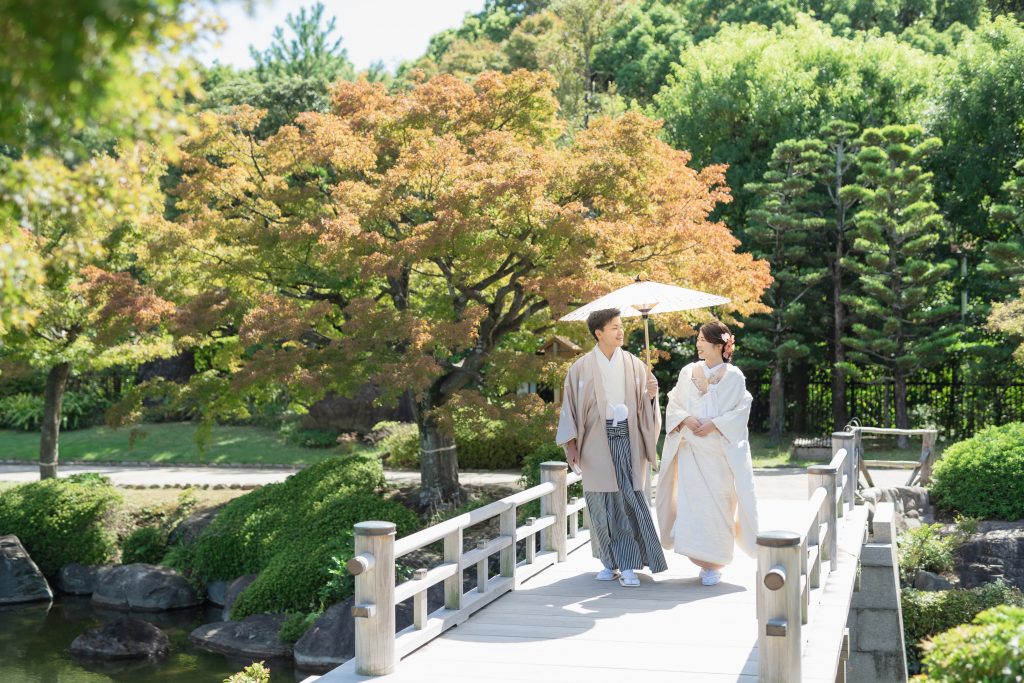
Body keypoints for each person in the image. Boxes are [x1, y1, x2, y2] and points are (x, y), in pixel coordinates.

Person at [555, 308, 668, 587]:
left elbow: (647, 410)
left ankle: (629, 564)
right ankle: (609, 561)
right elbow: (569, 410)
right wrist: (571, 445)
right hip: (594, 439)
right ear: (599, 333)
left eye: (621, 326)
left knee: (627, 498)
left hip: (628, 437)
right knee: (599, 501)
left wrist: (651, 397)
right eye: (615, 327)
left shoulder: (635, 364)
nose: (621, 332)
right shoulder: (580, 368)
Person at [654, 320, 759, 586]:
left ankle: (716, 562)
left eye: (702, 339)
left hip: (718, 454)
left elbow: (740, 410)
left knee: (720, 505)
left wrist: (716, 423)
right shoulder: (688, 371)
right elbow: (675, 403)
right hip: (692, 452)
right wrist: (686, 418)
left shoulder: (735, 376)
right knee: (694, 506)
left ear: (719, 345)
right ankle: (702, 562)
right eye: (698, 339)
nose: (698, 343)